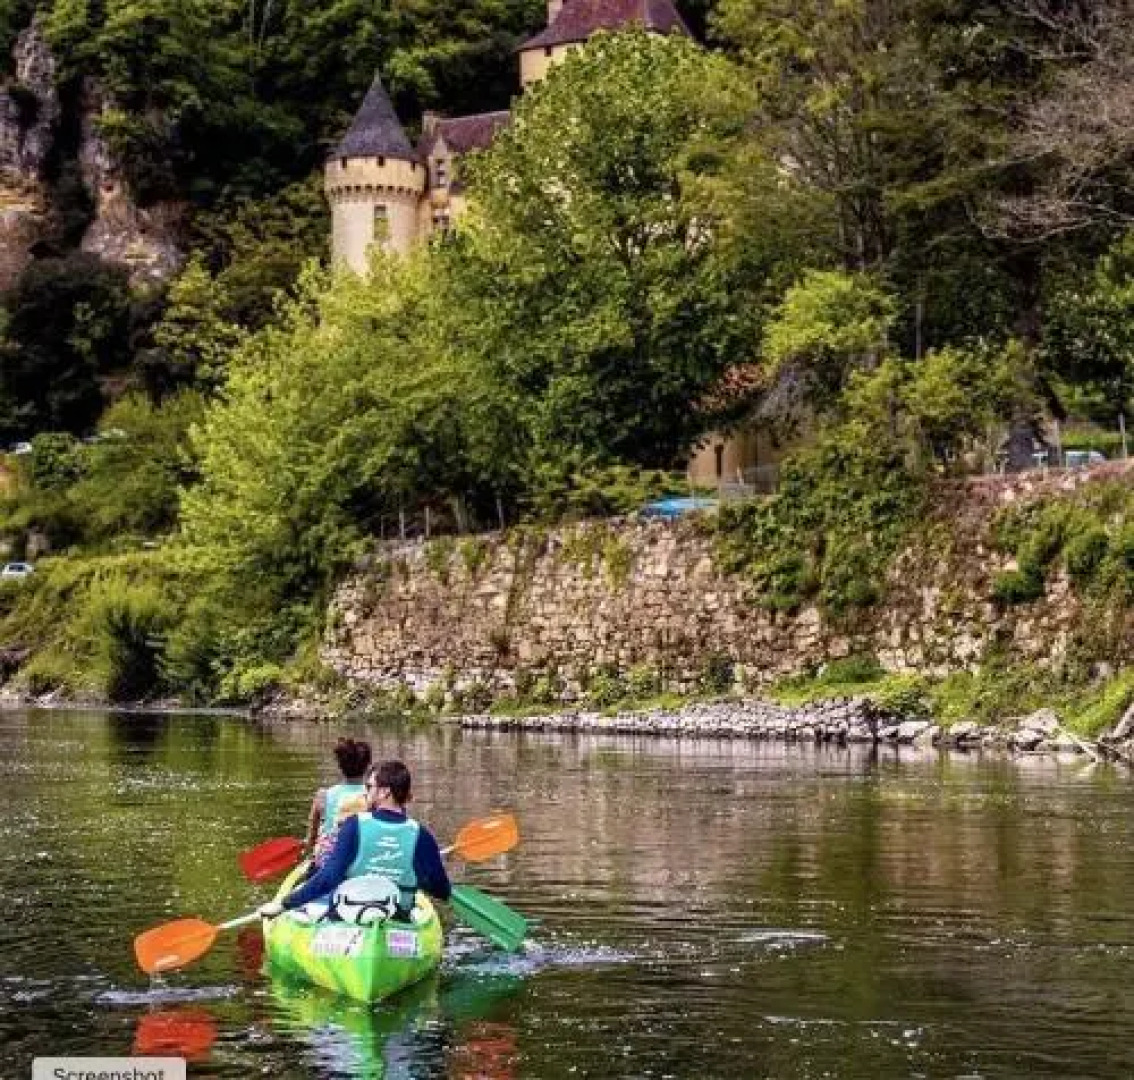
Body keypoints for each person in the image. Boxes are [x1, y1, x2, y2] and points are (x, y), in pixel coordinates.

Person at [260, 759, 451, 920]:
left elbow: (328, 878)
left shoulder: (354, 825)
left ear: (385, 792)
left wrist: (284, 905)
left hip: (349, 916)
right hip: (396, 917)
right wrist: (418, 875)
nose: (365, 792)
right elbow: (441, 890)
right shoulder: (422, 835)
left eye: (369, 787)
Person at [305, 738, 372, 868]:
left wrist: (307, 848)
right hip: (360, 860)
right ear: (368, 766)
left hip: (328, 861)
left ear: (340, 766)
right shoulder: (374, 797)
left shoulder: (323, 795)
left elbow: (312, 838)